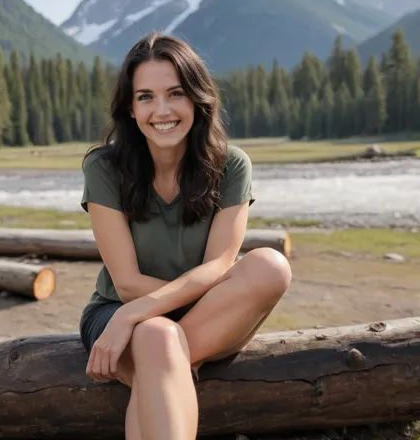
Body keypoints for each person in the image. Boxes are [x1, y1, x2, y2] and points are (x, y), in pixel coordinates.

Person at [79, 32, 292, 440]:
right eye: (145, 96)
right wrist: (129, 316)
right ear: (130, 106)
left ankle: (166, 362)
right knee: (159, 336)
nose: (162, 110)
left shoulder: (231, 164)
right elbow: (125, 285)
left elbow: (219, 266)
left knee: (270, 265)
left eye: (175, 93)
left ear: (197, 97)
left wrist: (173, 320)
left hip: (199, 313)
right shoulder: (104, 167)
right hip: (116, 313)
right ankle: (170, 361)